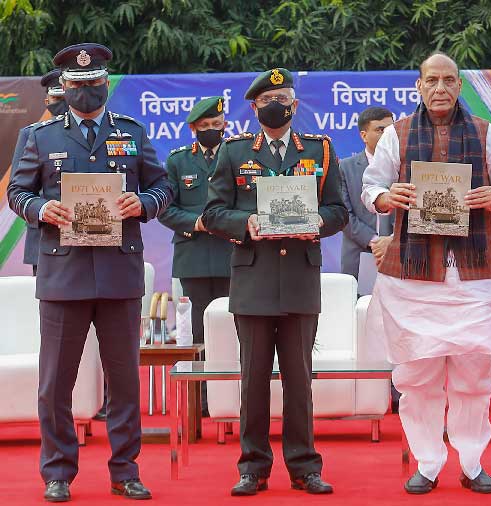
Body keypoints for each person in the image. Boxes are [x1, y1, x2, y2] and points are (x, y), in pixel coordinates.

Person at [7, 43, 172, 502]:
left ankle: (125, 471)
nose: (85, 91)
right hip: (62, 274)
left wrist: (144, 203)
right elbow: (17, 193)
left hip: (119, 272)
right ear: (64, 86)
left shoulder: (132, 133)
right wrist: (42, 208)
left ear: (106, 83)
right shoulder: (39, 137)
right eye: (76, 85)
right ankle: (57, 471)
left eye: (94, 83)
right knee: (56, 382)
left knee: (124, 381)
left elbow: (162, 186)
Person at [361, 52, 491, 495]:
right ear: (418, 86)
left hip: (474, 273)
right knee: (417, 377)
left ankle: (472, 462)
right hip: (412, 275)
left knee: (474, 375)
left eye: (448, 80)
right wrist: (386, 197)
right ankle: (428, 463)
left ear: (458, 86)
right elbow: (370, 187)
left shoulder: (487, 134)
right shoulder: (395, 136)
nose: (440, 88)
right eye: (431, 80)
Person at [202, 68, 347, 497]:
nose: (275, 105)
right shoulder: (233, 152)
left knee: (300, 380)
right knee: (253, 378)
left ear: (295, 105)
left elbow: (338, 208)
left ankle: (305, 466)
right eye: (267, 100)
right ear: (254, 108)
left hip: (301, 279)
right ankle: (253, 466)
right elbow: (212, 214)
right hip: (254, 279)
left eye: (282, 97)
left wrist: (318, 222)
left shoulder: (320, 151)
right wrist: (245, 222)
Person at [158, 96, 233, 415]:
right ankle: (202, 401)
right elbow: (164, 207)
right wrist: (196, 222)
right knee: (199, 333)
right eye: (205, 127)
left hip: (234, 255)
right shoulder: (177, 162)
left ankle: (233, 396)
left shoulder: (237, 154)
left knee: (234, 328)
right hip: (195, 257)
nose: (212, 131)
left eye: (217, 125)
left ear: (225, 126)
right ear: (192, 129)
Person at [13, 68, 67, 276]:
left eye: (64, 97)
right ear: (47, 102)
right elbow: (19, 188)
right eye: (56, 98)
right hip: (45, 237)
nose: (61, 103)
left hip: (88, 237)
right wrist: (43, 209)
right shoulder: (31, 135)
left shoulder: (95, 133)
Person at [339, 106, 394, 282]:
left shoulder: (404, 166)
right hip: (358, 253)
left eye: (391, 129)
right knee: (357, 306)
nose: (387, 135)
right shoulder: (345, 167)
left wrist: (391, 241)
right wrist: (374, 241)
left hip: (397, 252)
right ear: (364, 136)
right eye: (380, 130)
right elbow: (342, 213)